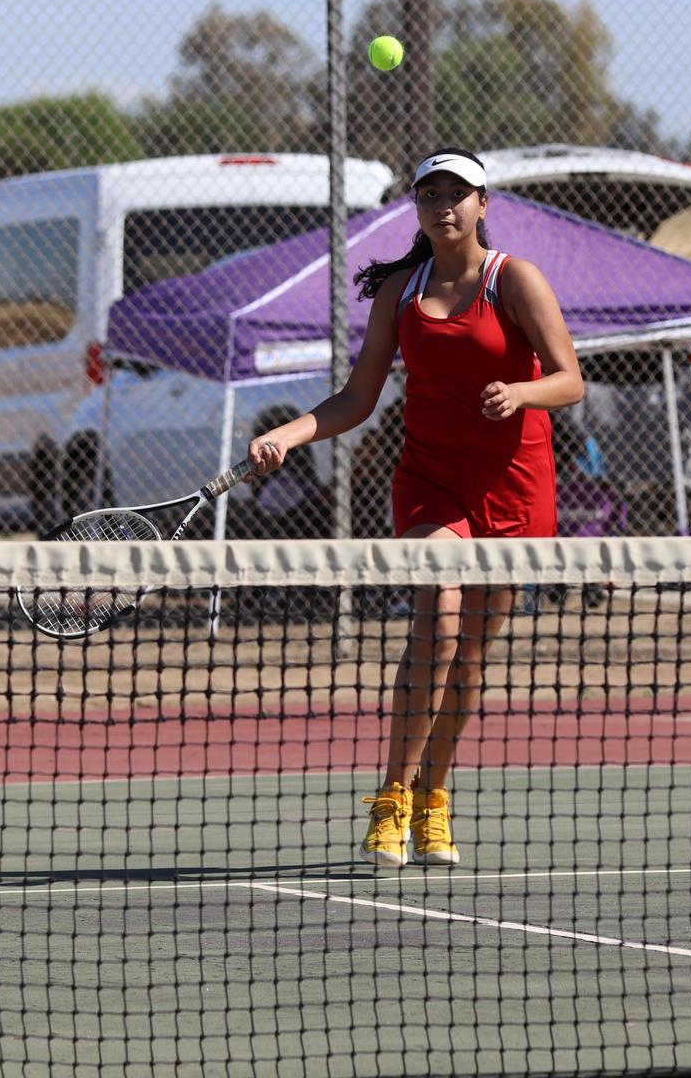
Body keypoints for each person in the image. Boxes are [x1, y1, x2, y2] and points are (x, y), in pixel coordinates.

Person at [246, 146, 583, 867]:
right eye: (431, 193)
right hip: (431, 483)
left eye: (458, 193)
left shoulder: (515, 280)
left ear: (482, 204)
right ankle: (393, 799)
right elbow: (357, 398)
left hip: (518, 491)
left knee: (470, 662)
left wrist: (520, 393)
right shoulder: (399, 291)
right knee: (436, 621)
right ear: (418, 208)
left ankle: (435, 798)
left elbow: (569, 379)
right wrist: (290, 432)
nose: (444, 204)